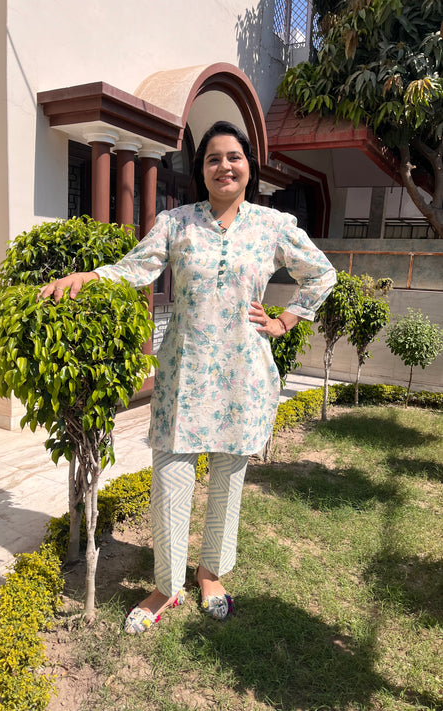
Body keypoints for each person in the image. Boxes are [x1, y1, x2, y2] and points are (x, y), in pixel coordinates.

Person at [38, 121, 336, 634]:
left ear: (249, 167)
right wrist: (91, 276)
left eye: (233, 157)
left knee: (226, 481)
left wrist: (287, 319)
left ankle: (211, 574)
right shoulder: (176, 222)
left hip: (242, 377)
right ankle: (166, 584)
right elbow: (137, 266)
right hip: (183, 374)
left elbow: (322, 273)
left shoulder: (274, 225)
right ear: (201, 170)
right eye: (213, 158)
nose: (224, 166)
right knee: (170, 480)